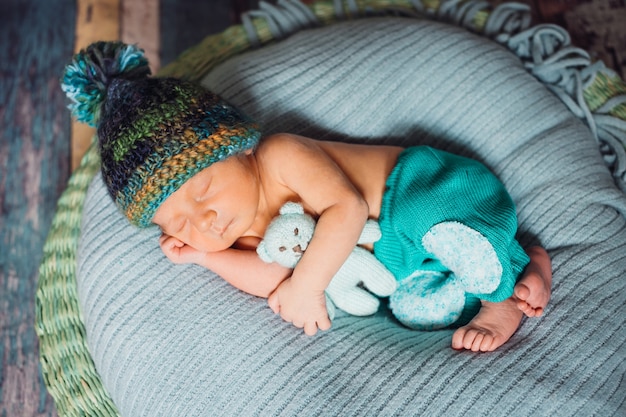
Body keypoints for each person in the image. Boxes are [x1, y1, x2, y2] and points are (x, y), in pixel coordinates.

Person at [62, 41, 551, 352]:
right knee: (415, 310)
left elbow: (348, 208)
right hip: (403, 259)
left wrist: (307, 287)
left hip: (421, 188)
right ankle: (524, 260)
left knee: (436, 222)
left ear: (235, 147)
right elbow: (269, 276)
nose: (204, 220)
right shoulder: (238, 233)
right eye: (177, 223)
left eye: (202, 189)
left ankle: (503, 293)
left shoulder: (279, 157)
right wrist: (202, 259)